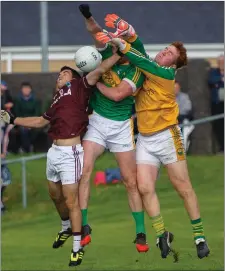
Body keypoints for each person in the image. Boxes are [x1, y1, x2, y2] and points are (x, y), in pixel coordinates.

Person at [96, 14, 210, 259]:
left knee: (183, 187)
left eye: (169, 53)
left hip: (168, 136)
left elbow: (139, 57)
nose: (163, 53)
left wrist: (121, 43)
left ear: (174, 64)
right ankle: (162, 234)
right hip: (146, 139)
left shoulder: (166, 75)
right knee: (145, 187)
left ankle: (199, 236)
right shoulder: (147, 65)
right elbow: (139, 52)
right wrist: (126, 31)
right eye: (165, 49)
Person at [1, 53, 121, 267]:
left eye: (64, 73)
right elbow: (39, 121)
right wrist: (13, 119)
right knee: (55, 195)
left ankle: (77, 247)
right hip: (53, 152)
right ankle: (65, 226)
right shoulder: (57, 99)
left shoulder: (80, 87)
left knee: (70, 200)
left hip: (70, 153)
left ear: (74, 78)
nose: (60, 75)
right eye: (59, 73)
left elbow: (100, 69)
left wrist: (119, 53)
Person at [78, 4, 149, 253]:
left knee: (130, 182)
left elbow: (119, 95)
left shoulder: (138, 69)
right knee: (84, 171)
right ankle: (84, 227)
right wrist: (87, 15)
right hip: (97, 122)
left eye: (127, 42)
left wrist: (93, 79)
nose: (123, 45)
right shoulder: (107, 51)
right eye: (122, 41)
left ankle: (140, 233)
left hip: (120, 127)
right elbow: (96, 30)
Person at [14, 82, 41, 153]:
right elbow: (17, 113)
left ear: (30, 90)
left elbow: (37, 113)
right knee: (23, 130)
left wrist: (31, 123)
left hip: (33, 122)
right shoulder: (18, 100)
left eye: (27, 88)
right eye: (24, 88)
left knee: (36, 130)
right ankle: (27, 148)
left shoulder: (35, 101)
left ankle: (26, 148)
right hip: (22, 122)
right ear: (21, 90)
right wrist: (24, 123)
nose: (26, 90)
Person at [208, 55, 224, 153]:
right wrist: (221, 78)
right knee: (219, 126)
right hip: (217, 103)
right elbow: (211, 80)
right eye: (220, 62)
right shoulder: (214, 72)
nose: (222, 64)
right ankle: (222, 147)